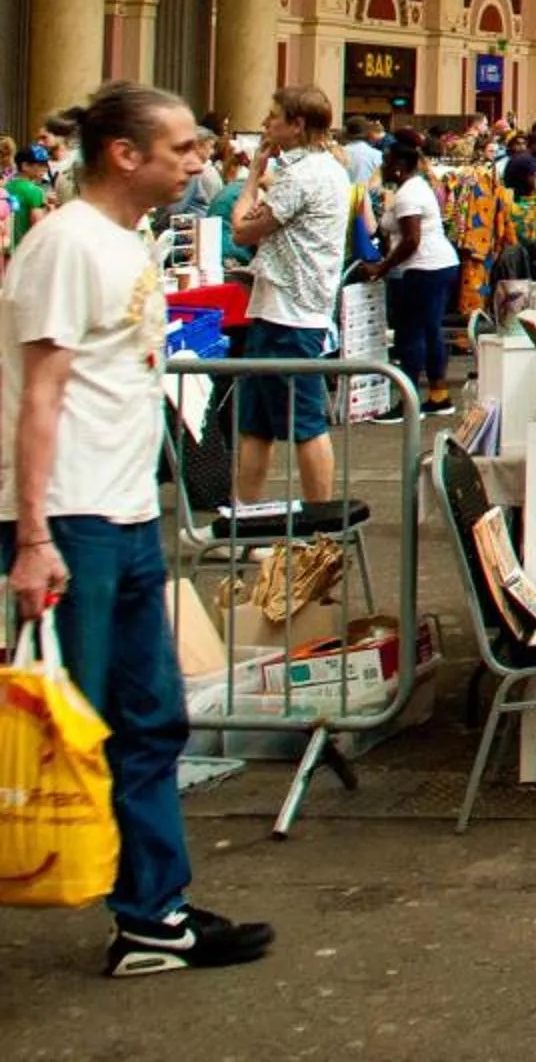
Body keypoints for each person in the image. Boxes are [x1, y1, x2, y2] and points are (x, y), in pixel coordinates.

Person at [4, 82, 275, 976]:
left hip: (121, 513)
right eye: (185, 149)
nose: (203, 163)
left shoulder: (119, 242)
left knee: (149, 718)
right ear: (126, 154)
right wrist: (34, 534)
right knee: (61, 727)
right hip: (73, 518)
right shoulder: (64, 246)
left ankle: (153, 916)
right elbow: (39, 394)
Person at [227, 86, 353, 508]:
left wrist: (249, 179)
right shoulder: (329, 170)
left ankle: (320, 526)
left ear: (297, 125)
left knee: (305, 423)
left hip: (290, 314)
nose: (266, 124)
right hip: (286, 308)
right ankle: (247, 519)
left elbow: (242, 228)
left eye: (273, 116)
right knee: (257, 424)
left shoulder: (302, 175)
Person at [362, 139, 461, 419]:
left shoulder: (408, 195)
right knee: (429, 331)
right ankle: (438, 395)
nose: (383, 165)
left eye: (387, 160)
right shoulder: (414, 188)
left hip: (425, 268)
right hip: (437, 265)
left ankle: (409, 401)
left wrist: (381, 267)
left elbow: (412, 239)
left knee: (411, 333)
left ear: (400, 166)